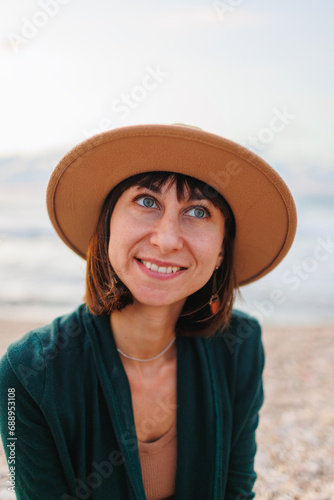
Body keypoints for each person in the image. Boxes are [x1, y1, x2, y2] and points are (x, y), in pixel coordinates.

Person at [0, 124, 297, 499]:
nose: (167, 238)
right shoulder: (26, 373)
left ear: (222, 250)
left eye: (199, 211)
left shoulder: (240, 346)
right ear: (107, 224)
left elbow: (236, 490)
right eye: (146, 202)